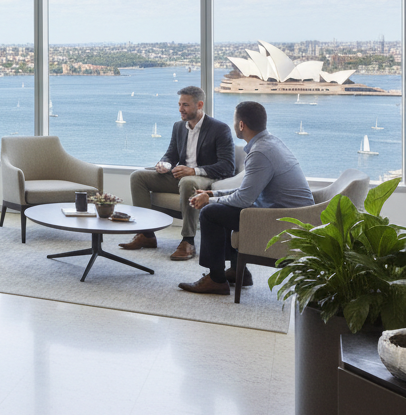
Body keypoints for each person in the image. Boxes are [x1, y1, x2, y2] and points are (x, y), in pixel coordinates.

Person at [179, 101, 314, 295]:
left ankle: (216, 280)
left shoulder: (259, 152)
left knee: (211, 213)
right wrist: (213, 194)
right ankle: (237, 271)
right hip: (291, 212)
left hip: (285, 220)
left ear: (241, 125)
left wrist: (210, 201)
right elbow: (247, 190)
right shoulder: (270, 142)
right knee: (221, 209)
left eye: (234, 121)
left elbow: (243, 200)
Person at [119, 86, 235, 260]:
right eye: (179, 104)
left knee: (188, 182)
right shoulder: (179, 127)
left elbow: (228, 166)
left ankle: (188, 241)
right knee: (138, 176)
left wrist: (193, 170)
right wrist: (164, 164)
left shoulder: (220, 129)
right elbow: (171, 154)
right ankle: (147, 235)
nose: (180, 109)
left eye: (185, 105)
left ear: (200, 104)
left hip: (205, 179)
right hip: (181, 177)